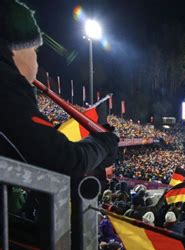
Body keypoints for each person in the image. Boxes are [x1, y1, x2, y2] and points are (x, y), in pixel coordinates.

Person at [0, 1, 118, 179]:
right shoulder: (8, 88)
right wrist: (103, 144)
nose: (36, 61)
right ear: (17, 49)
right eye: (35, 50)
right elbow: (64, 161)